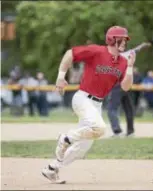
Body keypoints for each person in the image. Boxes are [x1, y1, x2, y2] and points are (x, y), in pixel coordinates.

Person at [41, 26, 136, 183]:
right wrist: (60, 76)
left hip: (97, 105)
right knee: (100, 128)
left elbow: (126, 87)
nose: (125, 42)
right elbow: (70, 54)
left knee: (81, 148)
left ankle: (52, 168)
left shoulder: (123, 63)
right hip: (83, 98)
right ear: (112, 39)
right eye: (122, 39)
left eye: (126, 39)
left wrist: (131, 67)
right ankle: (66, 137)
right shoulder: (96, 51)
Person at [107, 42, 151, 137]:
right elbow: (136, 49)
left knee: (111, 109)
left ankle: (117, 131)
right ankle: (130, 132)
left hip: (117, 86)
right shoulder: (126, 54)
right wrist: (143, 45)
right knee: (128, 109)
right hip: (126, 84)